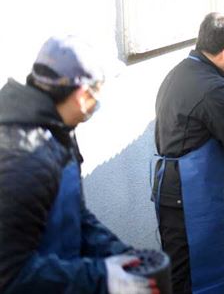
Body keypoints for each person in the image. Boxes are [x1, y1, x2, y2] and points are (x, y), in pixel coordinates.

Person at [0, 36, 155, 294]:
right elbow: (10, 275)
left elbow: (76, 215)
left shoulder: (58, 127)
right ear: (82, 95)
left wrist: (118, 254)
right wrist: (102, 277)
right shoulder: (22, 157)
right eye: (98, 91)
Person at [153, 13, 224, 294]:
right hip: (192, 193)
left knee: (178, 269)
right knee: (201, 270)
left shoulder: (179, 71)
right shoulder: (212, 87)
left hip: (168, 186)